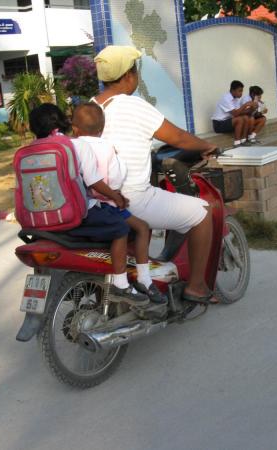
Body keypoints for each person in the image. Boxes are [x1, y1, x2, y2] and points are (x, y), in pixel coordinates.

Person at [93, 45, 218, 304]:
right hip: (132, 199)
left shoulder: (90, 109)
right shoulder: (134, 105)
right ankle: (196, 286)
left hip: (97, 200)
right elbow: (179, 138)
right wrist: (207, 146)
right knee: (203, 213)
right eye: (136, 71)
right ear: (129, 75)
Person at [28, 103, 149, 307]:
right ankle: (120, 286)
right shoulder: (75, 145)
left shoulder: (29, 151)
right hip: (73, 215)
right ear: (65, 123)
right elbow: (94, 182)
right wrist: (116, 197)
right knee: (121, 228)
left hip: (39, 220)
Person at [71, 102, 165, 303]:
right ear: (102, 129)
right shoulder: (106, 147)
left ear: (74, 128)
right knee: (141, 227)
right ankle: (142, 279)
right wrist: (117, 196)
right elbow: (116, 178)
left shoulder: (69, 146)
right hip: (103, 205)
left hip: (76, 206)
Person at [211, 80, 259, 147]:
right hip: (219, 124)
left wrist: (252, 109)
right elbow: (236, 114)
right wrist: (245, 105)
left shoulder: (236, 98)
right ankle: (237, 143)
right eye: (239, 91)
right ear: (233, 91)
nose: (241, 93)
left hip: (228, 121)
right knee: (239, 119)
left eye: (242, 91)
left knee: (246, 117)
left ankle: (243, 140)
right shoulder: (226, 98)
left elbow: (240, 112)